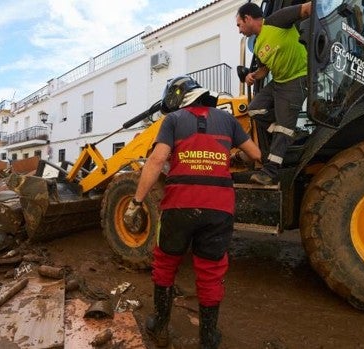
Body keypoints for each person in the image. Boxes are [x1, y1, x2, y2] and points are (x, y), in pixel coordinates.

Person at [124, 76, 261, 348]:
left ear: (178, 99)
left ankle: (160, 326)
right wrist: (229, 158)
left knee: (165, 263)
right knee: (210, 270)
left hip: (178, 207)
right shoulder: (229, 121)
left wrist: (137, 201)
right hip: (219, 209)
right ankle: (208, 337)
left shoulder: (173, 121)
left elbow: (158, 159)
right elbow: (255, 154)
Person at [236, 1, 312, 185]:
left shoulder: (277, 20)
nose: (239, 30)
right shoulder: (258, 43)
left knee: (283, 128)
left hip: (297, 78)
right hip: (278, 81)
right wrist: (252, 76)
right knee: (254, 109)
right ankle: (288, 133)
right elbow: (265, 69)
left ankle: (269, 172)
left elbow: (308, 8)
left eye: (239, 25)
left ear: (248, 18)